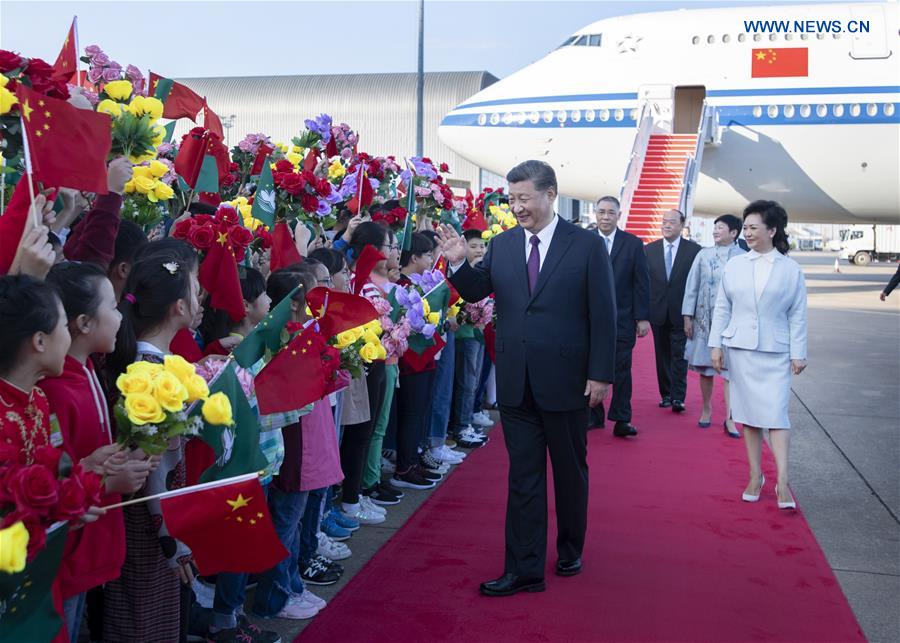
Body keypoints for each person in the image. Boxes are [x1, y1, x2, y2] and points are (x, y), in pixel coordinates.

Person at [436, 160, 616, 596]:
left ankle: (570, 547)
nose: (516, 207)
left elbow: (604, 313)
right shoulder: (502, 245)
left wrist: (600, 375)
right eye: (511, 198)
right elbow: (478, 290)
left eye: (524, 198)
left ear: (550, 194)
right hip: (516, 381)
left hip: (568, 380)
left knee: (570, 473)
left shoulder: (586, 245)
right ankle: (524, 568)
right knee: (523, 477)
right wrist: (458, 264)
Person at [42, 263, 155, 643]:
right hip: (70, 554)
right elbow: (55, 479)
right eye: (112, 305)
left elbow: (95, 453)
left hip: (93, 544)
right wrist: (109, 481)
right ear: (84, 323)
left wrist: (130, 460)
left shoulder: (89, 368)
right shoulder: (57, 390)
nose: (121, 315)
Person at [102, 251, 202, 643]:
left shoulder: (148, 361)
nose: (201, 299)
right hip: (150, 522)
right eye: (195, 291)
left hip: (148, 517)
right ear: (179, 307)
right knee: (143, 625)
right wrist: (170, 539)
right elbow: (155, 470)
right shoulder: (153, 375)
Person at [709, 200, 808, 510]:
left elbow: (798, 314)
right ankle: (755, 476)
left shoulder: (790, 269)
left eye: (754, 228)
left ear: (772, 230)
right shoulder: (735, 265)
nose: (748, 233)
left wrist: (799, 352)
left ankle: (783, 481)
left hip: (776, 352)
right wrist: (715, 345)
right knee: (749, 417)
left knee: (777, 415)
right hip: (740, 349)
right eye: (746, 228)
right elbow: (722, 307)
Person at [681, 214, 747, 437]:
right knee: (706, 368)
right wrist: (687, 316)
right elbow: (692, 286)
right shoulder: (703, 254)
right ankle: (706, 408)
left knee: (731, 372)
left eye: (721, 228)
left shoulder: (744, 258)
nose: (716, 231)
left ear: (734, 233)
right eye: (715, 227)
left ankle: (730, 418)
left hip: (733, 322)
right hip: (704, 319)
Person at [592, 196, 650, 437]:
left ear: (619, 215)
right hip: (588, 319)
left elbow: (641, 282)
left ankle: (622, 419)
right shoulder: (584, 240)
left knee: (622, 370)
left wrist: (642, 317)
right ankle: (593, 415)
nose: (605, 217)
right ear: (595, 213)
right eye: (601, 212)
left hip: (623, 318)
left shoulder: (632, 244)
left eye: (610, 213)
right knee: (588, 367)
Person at [645, 209, 701, 413]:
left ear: (682, 225)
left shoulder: (694, 251)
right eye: (664, 221)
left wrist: (692, 313)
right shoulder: (649, 250)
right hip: (657, 311)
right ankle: (666, 394)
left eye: (671, 222)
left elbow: (697, 283)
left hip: (682, 312)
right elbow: (644, 282)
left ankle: (678, 397)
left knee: (679, 355)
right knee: (662, 355)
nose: (666, 225)